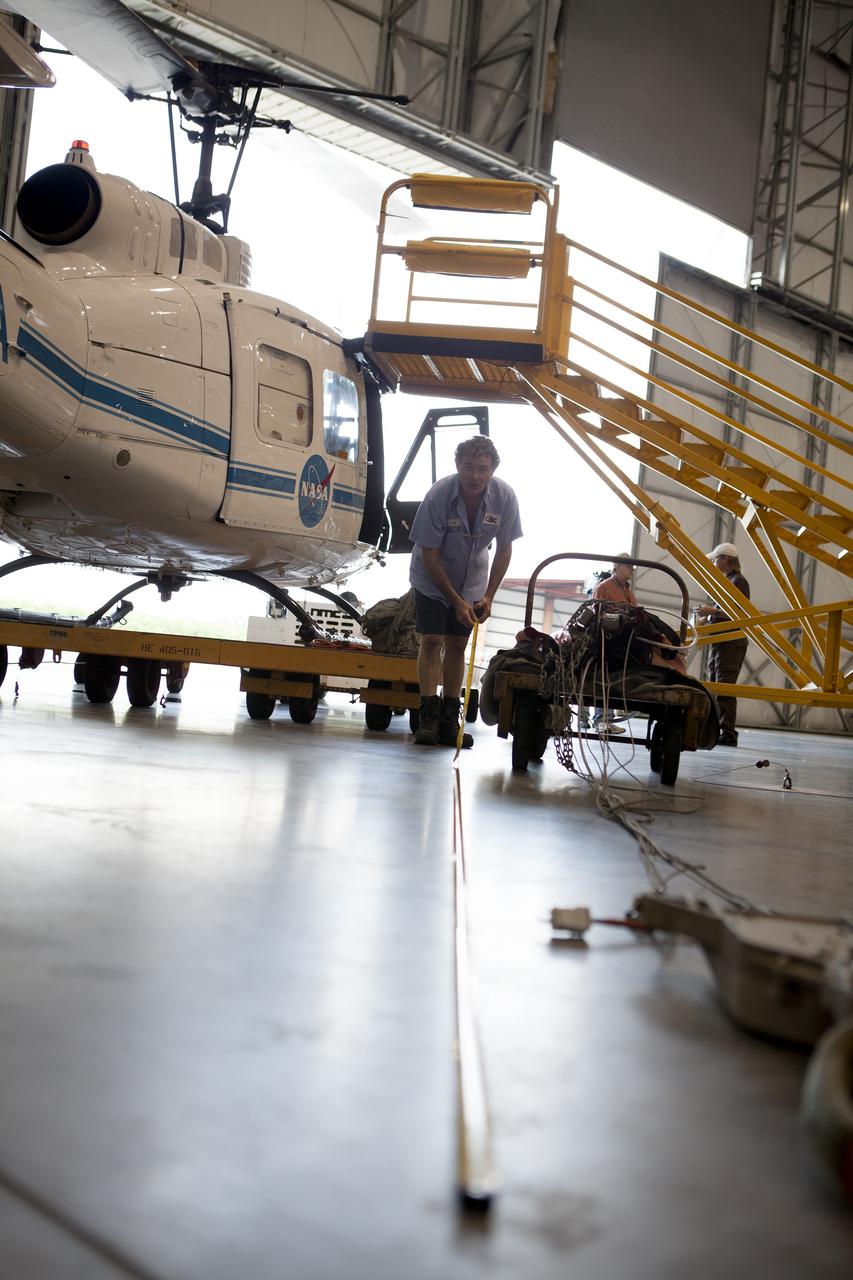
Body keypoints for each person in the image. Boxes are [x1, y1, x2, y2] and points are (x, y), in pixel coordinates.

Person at [408, 436, 523, 747]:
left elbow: (504, 549)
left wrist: (488, 596)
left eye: (483, 469)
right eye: (468, 468)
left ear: (493, 469)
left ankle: (449, 716)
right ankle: (428, 715)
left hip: (473, 581)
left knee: (458, 644)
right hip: (432, 578)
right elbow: (429, 552)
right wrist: (455, 601)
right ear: (457, 466)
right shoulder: (439, 495)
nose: (475, 476)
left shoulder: (505, 497)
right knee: (432, 640)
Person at [694, 542, 750, 747]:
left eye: (717, 558)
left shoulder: (738, 582)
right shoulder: (728, 581)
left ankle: (728, 732)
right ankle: (717, 728)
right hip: (721, 640)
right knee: (715, 683)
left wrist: (713, 612)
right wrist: (708, 619)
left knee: (724, 686)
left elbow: (740, 614)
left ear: (725, 559)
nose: (715, 562)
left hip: (731, 642)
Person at [590, 554, 638, 734]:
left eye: (632, 567)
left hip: (623, 644)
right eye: (628, 566)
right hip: (605, 642)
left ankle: (606, 719)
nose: (631, 570)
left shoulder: (629, 593)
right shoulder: (604, 588)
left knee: (615, 679)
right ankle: (602, 720)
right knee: (604, 678)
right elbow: (595, 616)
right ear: (616, 566)